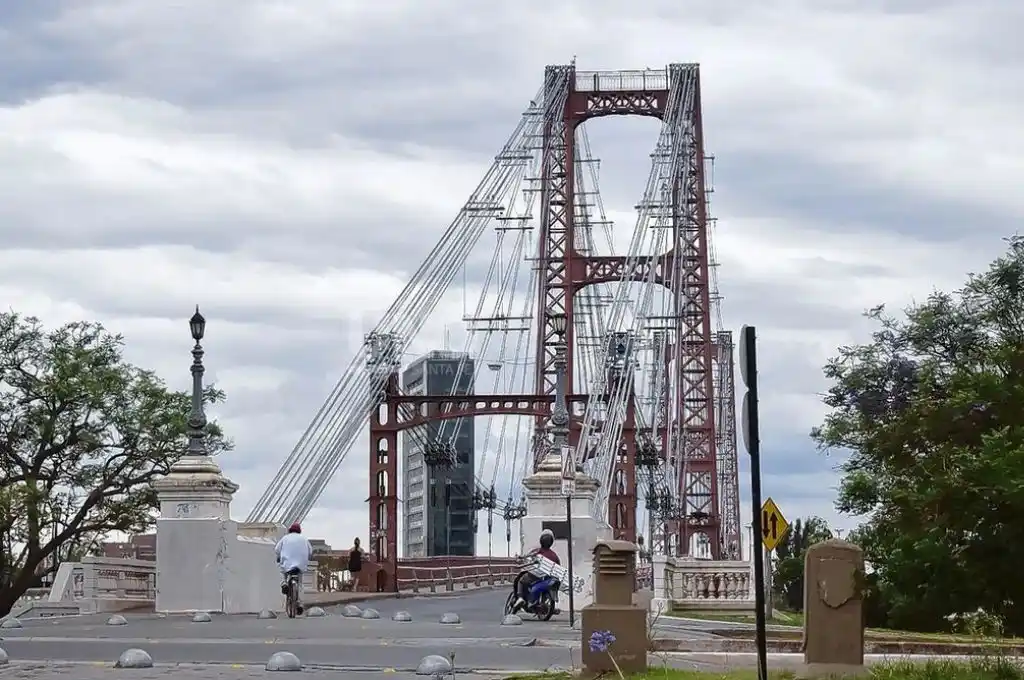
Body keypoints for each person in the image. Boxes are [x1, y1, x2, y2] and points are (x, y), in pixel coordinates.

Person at [513, 529, 560, 612]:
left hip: (536, 576)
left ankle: (520, 598)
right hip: (548, 578)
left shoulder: (538, 551)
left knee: (521, 581)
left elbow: (528, 556)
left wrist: (521, 558)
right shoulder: (554, 555)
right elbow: (558, 566)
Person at [275, 522, 312, 615]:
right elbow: (310, 551)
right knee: (300, 584)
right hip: (300, 566)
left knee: (281, 571)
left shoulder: (285, 538)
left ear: (290, 530)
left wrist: (279, 557)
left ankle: (284, 584)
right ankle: (299, 603)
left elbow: (276, 550)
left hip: (287, 564)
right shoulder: (304, 539)